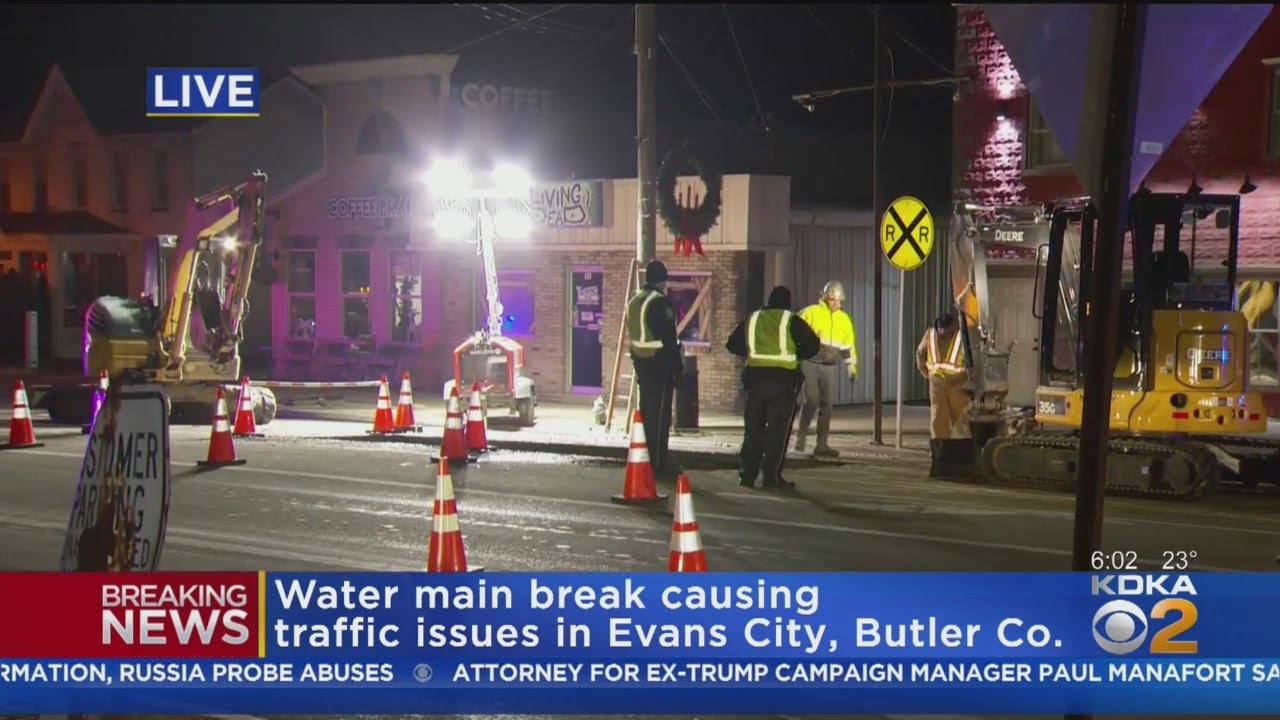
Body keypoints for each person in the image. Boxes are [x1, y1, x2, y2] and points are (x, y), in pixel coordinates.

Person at [726, 286, 822, 490]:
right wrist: (796, 355)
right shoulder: (791, 320)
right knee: (777, 432)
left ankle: (747, 475)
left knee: (753, 430)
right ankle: (771, 477)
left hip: (755, 382)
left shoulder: (753, 319)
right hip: (783, 383)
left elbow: (732, 344)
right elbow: (813, 345)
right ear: (787, 302)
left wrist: (753, 351)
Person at [626, 259, 681, 480]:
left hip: (641, 363)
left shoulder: (634, 300)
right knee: (660, 416)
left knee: (648, 411)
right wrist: (677, 367)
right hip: (660, 363)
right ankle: (658, 463)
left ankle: (646, 457)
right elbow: (669, 337)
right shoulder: (660, 302)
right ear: (663, 279)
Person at [795, 281, 858, 457]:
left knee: (827, 405)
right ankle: (800, 438)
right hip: (809, 363)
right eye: (834, 300)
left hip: (829, 366)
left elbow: (848, 346)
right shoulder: (810, 313)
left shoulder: (844, 320)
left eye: (840, 301)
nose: (838, 304)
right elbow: (795, 333)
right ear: (825, 297)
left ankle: (821, 444)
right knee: (811, 400)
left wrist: (851, 367)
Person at [916, 311, 972, 475]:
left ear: (953, 327)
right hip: (938, 384)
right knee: (938, 419)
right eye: (940, 330)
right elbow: (920, 353)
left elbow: (971, 358)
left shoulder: (962, 335)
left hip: (958, 384)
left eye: (946, 331)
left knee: (960, 419)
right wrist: (926, 374)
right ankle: (939, 455)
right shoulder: (931, 334)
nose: (942, 334)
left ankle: (961, 454)